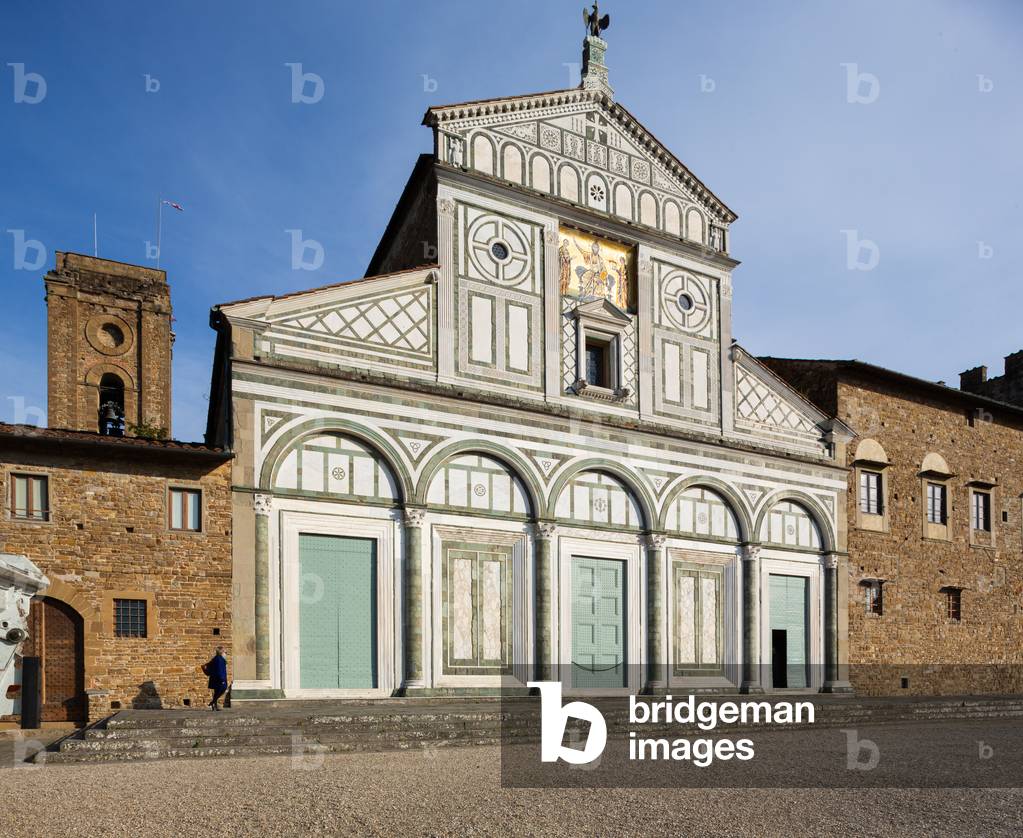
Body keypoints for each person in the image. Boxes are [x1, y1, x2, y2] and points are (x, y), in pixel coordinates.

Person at [203, 646, 229, 711]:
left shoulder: (217, 658)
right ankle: (213, 702)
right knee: (223, 688)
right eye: (225, 652)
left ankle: (214, 705)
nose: (226, 653)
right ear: (221, 652)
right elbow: (220, 670)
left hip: (215, 678)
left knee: (217, 692)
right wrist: (222, 679)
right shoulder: (219, 659)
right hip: (218, 678)